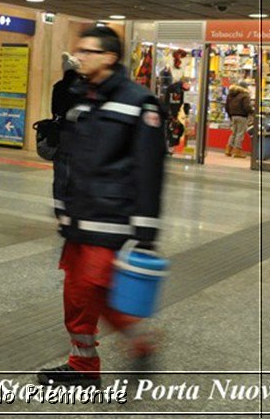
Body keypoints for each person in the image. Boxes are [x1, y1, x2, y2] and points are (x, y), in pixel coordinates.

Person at [39, 25, 165, 384]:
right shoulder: (83, 97)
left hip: (109, 218)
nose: (80, 56)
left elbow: (149, 170)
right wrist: (62, 204)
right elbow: (71, 158)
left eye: (88, 51)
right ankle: (82, 364)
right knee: (77, 294)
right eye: (79, 50)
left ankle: (141, 341)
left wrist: (146, 228)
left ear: (109, 57)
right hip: (79, 215)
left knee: (98, 289)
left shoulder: (140, 102)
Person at [224, 81, 253, 157]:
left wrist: (230, 115)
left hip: (233, 116)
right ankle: (237, 151)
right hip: (242, 116)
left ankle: (228, 149)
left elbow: (226, 106)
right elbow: (247, 107)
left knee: (234, 133)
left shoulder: (231, 94)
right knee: (240, 134)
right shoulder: (244, 95)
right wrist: (252, 112)